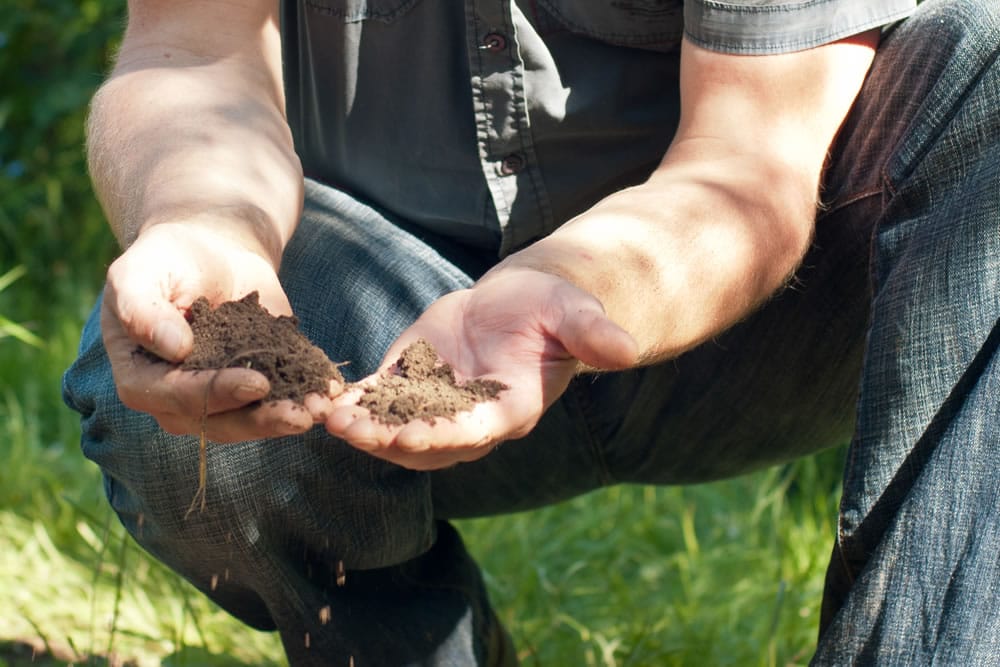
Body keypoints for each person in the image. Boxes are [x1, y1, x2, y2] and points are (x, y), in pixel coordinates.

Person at [62, 0, 1000, 663]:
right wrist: (201, 216)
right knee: (169, 395)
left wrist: (570, 282)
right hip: (377, 332)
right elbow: (190, 51)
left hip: (760, 311)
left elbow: (750, 164)